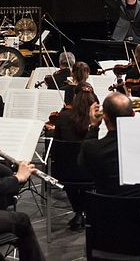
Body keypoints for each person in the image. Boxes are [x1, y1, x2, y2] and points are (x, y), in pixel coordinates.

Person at [47, 82, 97, 230]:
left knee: (70, 170)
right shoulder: (98, 121)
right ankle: (84, 211)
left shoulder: (62, 117)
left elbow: (55, 149)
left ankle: (79, 211)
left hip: (65, 174)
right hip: (91, 174)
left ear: (74, 98)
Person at [79, 92, 140, 196]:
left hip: (105, 209)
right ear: (133, 115)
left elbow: (83, 169)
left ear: (105, 118)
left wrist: (93, 127)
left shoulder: (92, 148)